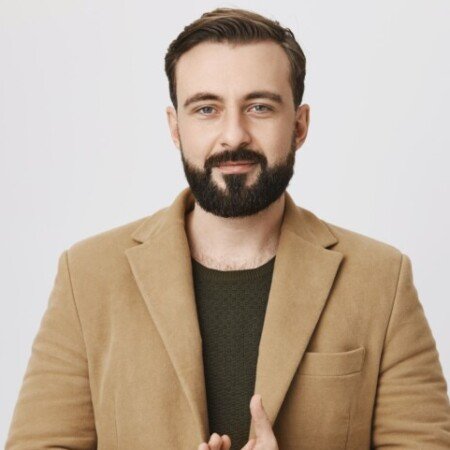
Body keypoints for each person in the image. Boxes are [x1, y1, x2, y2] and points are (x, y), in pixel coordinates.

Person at [6, 7, 450, 450]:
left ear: (299, 126)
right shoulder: (87, 276)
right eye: (207, 109)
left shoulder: (381, 279)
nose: (233, 135)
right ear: (175, 128)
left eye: (259, 107)